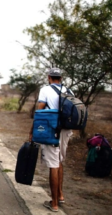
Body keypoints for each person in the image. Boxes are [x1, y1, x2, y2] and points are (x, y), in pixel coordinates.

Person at [29, 67, 73, 213]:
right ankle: (60, 195)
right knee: (59, 161)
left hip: (52, 130)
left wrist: (32, 131)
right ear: (60, 78)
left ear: (49, 77)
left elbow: (40, 111)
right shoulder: (69, 91)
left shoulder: (45, 90)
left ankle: (53, 203)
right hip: (66, 131)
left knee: (53, 165)